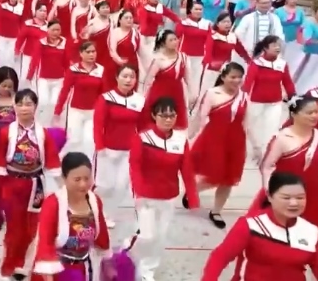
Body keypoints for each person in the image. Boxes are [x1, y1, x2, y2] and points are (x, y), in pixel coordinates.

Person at [0, 89, 62, 280]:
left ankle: (22, 265)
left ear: (36, 106)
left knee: (31, 230)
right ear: (14, 106)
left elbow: (53, 163)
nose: (24, 108)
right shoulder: (7, 133)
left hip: (36, 187)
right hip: (12, 185)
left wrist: (65, 191)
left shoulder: (43, 134)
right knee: (13, 230)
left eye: (28, 104)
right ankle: (5, 269)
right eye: (20, 104)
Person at [127, 96, 199, 281]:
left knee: (160, 237)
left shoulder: (181, 141)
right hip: (146, 196)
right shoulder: (143, 138)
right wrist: (139, 192)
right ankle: (128, 253)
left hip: (168, 197)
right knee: (146, 235)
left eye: (172, 115)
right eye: (163, 115)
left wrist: (193, 198)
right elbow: (135, 167)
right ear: (154, 115)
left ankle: (147, 270)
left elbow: (187, 171)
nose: (168, 119)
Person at [202, 172, 318, 281]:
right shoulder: (251, 225)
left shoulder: (311, 232)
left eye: (300, 198)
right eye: (286, 198)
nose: (294, 203)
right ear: (269, 196)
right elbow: (220, 257)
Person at [31, 152, 113, 280]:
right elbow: (45, 242)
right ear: (64, 178)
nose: (83, 184)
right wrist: (48, 275)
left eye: (87, 178)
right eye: (77, 179)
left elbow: (102, 235)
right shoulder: (53, 203)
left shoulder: (94, 201)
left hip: (85, 268)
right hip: (57, 271)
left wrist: (109, 262)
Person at [186, 62, 249, 228]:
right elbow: (201, 117)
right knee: (213, 176)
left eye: (240, 77)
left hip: (236, 143)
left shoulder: (244, 96)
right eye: (233, 77)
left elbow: (246, 122)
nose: (237, 80)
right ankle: (193, 191)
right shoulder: (212, 94)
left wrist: (249, 145)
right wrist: (191, 136)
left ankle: (216, 211)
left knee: (228, 180)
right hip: (215, 140)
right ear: (223, 77)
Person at [247, 94, 318, 223]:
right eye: (309, 113)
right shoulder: (282, 138)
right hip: (287, 191)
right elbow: (267, 167)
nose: (314, 116)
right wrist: (270, 191)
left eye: (316, 112)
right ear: (294, 114)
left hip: (314, 192)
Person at [93, 65, 143, 228]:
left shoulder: (140, 101)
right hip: (107, 150)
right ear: (117, 77)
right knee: (105, 186)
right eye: (125, 76)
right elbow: (98, 124)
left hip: (129, 152)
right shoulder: (106, 98)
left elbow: (143, 128)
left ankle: (108, 214)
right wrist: (100, 147)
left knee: (121, 186)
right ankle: (91, 209)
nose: (128, 80)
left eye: (132, 77)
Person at [243, 35, 297, 160]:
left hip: (275, 103)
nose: (277, 47)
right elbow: (248, 81)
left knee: (271, 130)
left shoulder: (282, 64)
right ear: (265, 48)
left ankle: (265, 154)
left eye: (279, 45)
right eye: (274, 45)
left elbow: (288, 82)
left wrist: (292, 97)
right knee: (249, 127)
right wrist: (242, 96)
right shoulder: (256, 63)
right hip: (256, 102)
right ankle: (256, 147)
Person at [54, 41, 105, 158]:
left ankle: (87, 164)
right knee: (74, 140)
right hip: (75, 111)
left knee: (89, 141)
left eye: (93, 52)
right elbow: (65, 91)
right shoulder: (74, 70)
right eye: (88, 52)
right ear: (81, 54)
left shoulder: (101, 70)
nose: (91, 54)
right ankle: (62, 161)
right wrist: (58, 110)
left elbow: (103, 94)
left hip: (93, 112)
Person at [143, 30, 194, 130]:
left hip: (177, 93)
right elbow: (148, 80)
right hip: (159, 93)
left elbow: (188, 78)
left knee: (175, 122)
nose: (175, 42)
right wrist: (145, 97)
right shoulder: (159, 59)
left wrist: (192, 94)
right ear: (163, 43)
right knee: (158, 121)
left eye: (175, 39)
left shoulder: (183, 57)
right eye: (171, 40)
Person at [25, 19, 68, 124]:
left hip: (59, 79)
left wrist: (68, 79)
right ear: (48, 30)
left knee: (54, 103)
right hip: (43, 78)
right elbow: (35, 60)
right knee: (43, 102)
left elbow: (67, 62)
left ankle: (51, 126)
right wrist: (29, 76)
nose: (56, 32)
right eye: (53, 30)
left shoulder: (64, 43)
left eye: (58, 30)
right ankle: (39, 123)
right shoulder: (41, 42)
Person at [200, 13, 252, 94]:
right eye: (224, 22)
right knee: (208, 90)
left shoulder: (233, 36)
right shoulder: (213, 36)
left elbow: (241, 51)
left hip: (226, 69)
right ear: (218, 24)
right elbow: (207, 51)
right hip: (212, 68)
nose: (227, 24)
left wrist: (249, 61)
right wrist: (209, 64)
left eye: (229, 22)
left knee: (223, 91)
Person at [136, 0, 180, 77]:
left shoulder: (160, 7)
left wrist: (179, 22)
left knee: (154, 56)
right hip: (144, 35)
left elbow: (171, 15)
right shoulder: (144, 8)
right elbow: (143, 22)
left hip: (155, 35)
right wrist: (143, 34)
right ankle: (144, 76)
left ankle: (153, 74)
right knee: (145, 57)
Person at [15, 4, 49, 89]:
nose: (43, 13)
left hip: (42, 58)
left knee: (37, 79)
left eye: (45, 11)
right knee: (25, 76)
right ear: (35, 11)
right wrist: (17, 50)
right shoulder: (29, 23)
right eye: (40, 10)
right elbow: (20, 37)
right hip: (28, 55)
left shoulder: (48, 26)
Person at [107, 9, 140, 88]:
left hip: (133, 65)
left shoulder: (136, 32)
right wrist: (119, 60)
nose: (129, 20)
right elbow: (112, 50)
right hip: (118, 65)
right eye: (126, 18)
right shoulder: (115, 32)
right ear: (120, 20)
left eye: (131, 18)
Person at [0, 0, 24, 69]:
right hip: (2, 37)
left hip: (15, 38)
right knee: (1, 59)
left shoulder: (21, 8)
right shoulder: (3, 6)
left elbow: (23, 24)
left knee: (12, 61)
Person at [277, 0, 307, 66]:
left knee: (292, 58)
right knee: (279, 56)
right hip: (281, 37)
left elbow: (304, 25)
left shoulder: (300, 11)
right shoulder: (278, 11)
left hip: (295, 39)